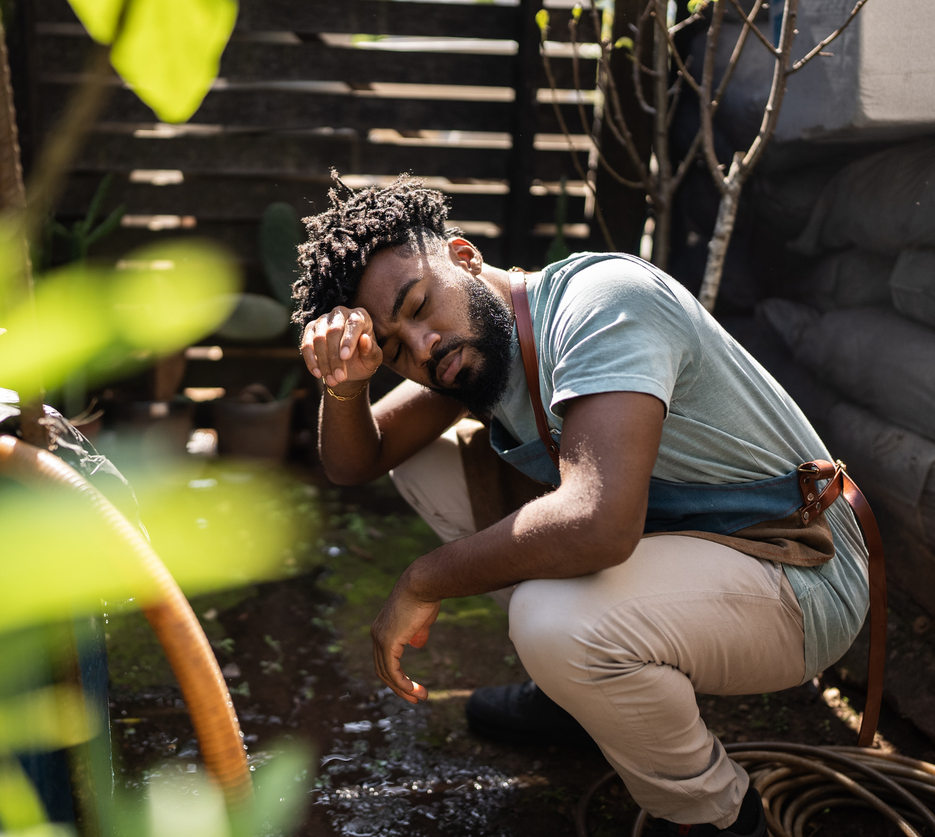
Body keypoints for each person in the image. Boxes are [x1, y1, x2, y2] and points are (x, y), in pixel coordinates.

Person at [292, 174, 872, 836]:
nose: (423, 346)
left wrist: (423, 578)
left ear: (463, 256)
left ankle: (715, 816)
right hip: (692, 550)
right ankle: (578, 699)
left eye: (421, 305)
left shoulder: (601, 304)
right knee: (423, 460)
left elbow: (598, 524)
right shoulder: (475, 351)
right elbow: (356, 461)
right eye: (393, 347)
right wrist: (345, 385)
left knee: (553, 622)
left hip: (802, 571)